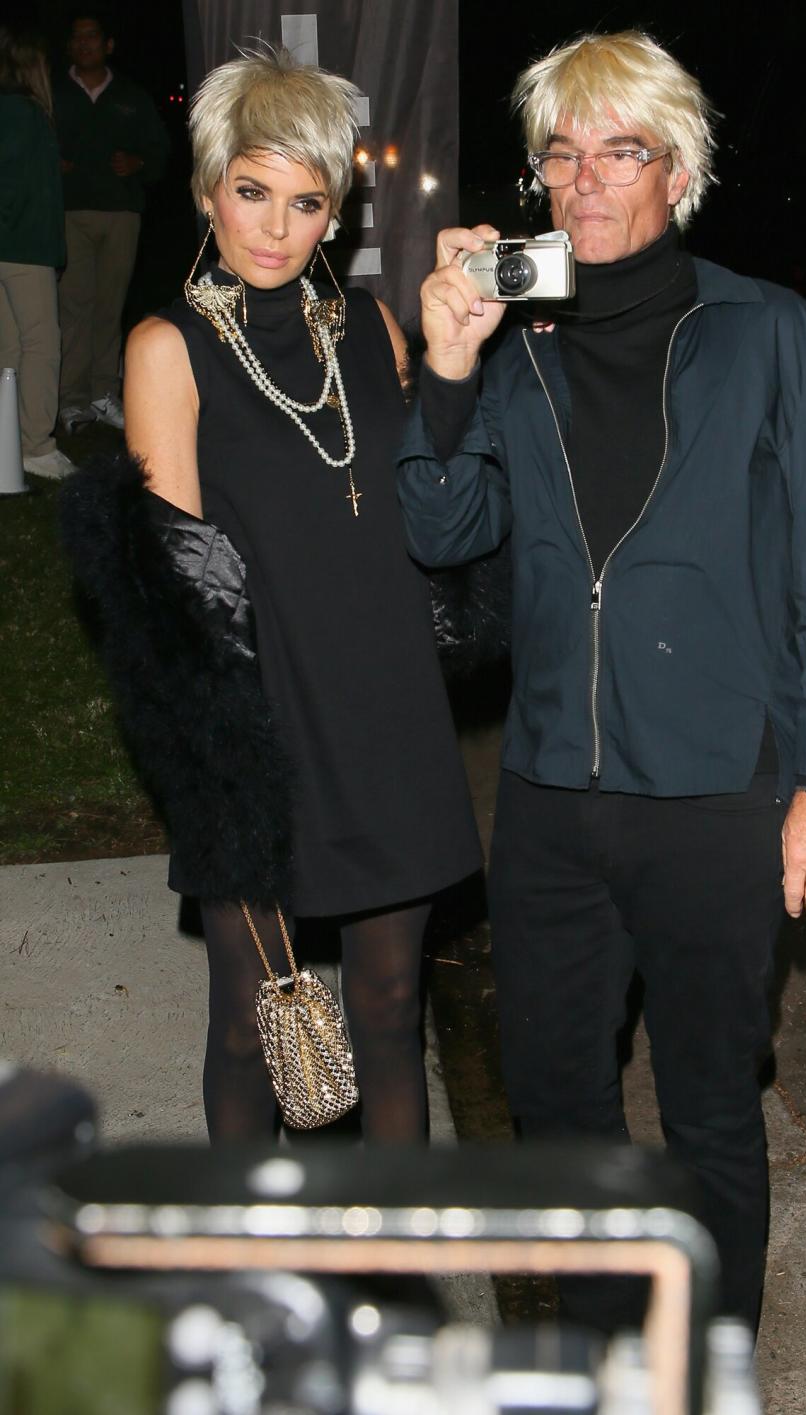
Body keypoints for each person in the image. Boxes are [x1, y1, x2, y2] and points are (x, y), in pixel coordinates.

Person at [396, 30, 806, 1328]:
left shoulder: (771, 334)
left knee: (708, 1111)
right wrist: (447, 364)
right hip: (554, 797)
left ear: (678, 172)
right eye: (560, 154)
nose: (586, 179)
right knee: (557, 1105)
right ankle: (593, 1349)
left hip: (720, 796)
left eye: (618, 150)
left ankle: (707, 1358)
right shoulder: (519, 351)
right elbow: (441, 532)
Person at [61, 47, 481, 1144]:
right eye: (252, 191)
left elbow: (430, 505)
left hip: (392, 715)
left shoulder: (378, 330)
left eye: (306, 201)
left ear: (335, 214)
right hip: (265, 731)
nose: (274, 226)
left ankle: (394, 1288)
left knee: (393, 1014)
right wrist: (219, 777)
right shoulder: (170, 348)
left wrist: (452, 370)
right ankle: (253, 1287)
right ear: (209, 193)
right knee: (258, 1024)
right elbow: (182, 583)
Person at [53, 8, 169, 433]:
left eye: (92, 36)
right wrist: (52, 163)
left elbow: (160, 150)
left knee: (110, 306)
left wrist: (139, 161)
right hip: (70, 213)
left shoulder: (131, 96)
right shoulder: (52, 92)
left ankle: (105, 393)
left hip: (121, 213)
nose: (84, 43)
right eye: (77, 37)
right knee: (74, 308)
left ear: (108, 45)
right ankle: (72, 401)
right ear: (69, 46)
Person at [0, 25, 73, 481]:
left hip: (16, 244)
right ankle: (37, 446)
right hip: (23, 247)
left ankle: (10, 441)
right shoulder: (23, 113)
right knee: (41, 342)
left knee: (9, 346)